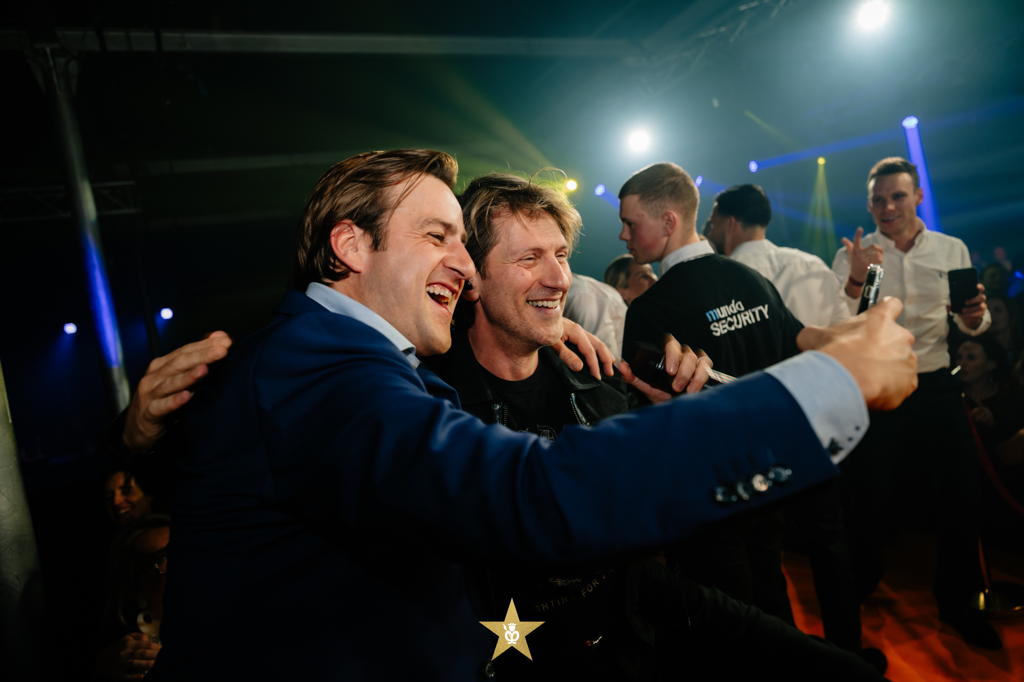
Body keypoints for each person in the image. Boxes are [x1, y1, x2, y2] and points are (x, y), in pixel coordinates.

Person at [126, 149, 915, 681]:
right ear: (351, 246)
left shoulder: (338, 361)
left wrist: (143, 439)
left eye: (558, 256)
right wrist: (825, 386)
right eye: (438, 236)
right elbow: (526, 494)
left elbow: (241, 485)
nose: (462, 265)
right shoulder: (326, 370)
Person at [617, 162, 805, 625]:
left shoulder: (650, 310)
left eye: (630, 223)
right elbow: (792, 361)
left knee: (718, 621)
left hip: (704, 491)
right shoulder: (753, 281)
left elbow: (650, 413)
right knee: (771, 595)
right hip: (770, 473)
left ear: (668, 221)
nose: (623, 236)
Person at [831, 156, 997, 649]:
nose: (888, 207)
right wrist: (857, 279)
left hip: (937, 383)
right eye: (878, 200)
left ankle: (960, 604)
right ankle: (856, 594)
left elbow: (971, 322)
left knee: (960, 497)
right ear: (869, 205)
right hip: (879, 385)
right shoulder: (856, 254)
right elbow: (837, 326)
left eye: (898, 196)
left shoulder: (950, 248)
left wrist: (974, 318)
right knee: (870, 497)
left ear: (918, 196)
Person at [705, 183, 848, 327]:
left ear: (730, 224)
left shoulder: (719, 278)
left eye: (712, 224)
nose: (710, 233)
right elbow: (844, 328)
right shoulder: (813, 265)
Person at [562, 273, 628, 358]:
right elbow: (605, 359)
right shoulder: (585, 294)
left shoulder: (588, 291)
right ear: (622, 289)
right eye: (642, 277)